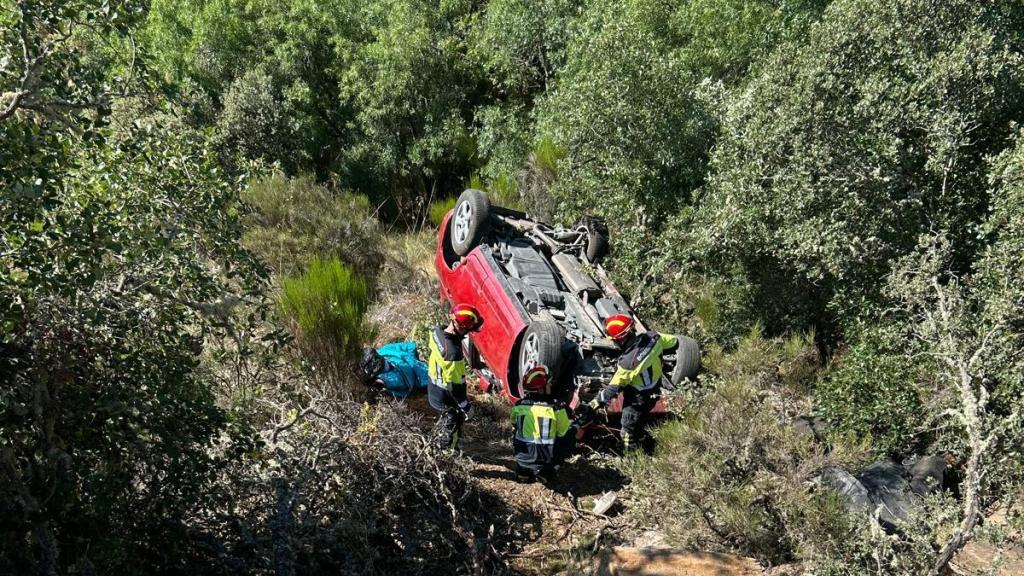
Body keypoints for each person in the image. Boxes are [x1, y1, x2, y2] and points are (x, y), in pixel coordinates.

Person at [588, 313, 678, 452]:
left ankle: (631, 454)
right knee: (640, 419)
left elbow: (613, 388)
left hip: (638, 396)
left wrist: (594, 403)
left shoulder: (628, 363)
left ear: (621, 339)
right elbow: (673, 341)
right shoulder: (654, 337)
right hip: (654, 388)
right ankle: (642, 436)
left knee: (627, 428)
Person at [427, 303, 483, 451]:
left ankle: (443, 446)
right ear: (461, 326)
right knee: (452, 422)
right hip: (445, 395)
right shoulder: (453, 354)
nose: (469, 333)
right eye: (468, 329)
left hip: (434, 388)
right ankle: (447, 455)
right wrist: (466, 407)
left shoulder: (438, 331)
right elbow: (456, 386)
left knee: (447, 420)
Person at [511, 365, 576, 483]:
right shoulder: (556, 407)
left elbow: (514, 422)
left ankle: (523, 471)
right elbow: (562, 432)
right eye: (549, 384)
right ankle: (548, 472)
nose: (550, 386)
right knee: (571, 433)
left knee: (516, 430)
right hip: (544, 460)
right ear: (541, 389)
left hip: (522, 457)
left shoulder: (519, 405)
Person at [358, 341, 430, 398]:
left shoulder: (391, 380)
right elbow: (410, 346)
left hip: (423, 381)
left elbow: (404, 388)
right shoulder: (383, 351)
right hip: (422, 371)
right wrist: (415, 362)